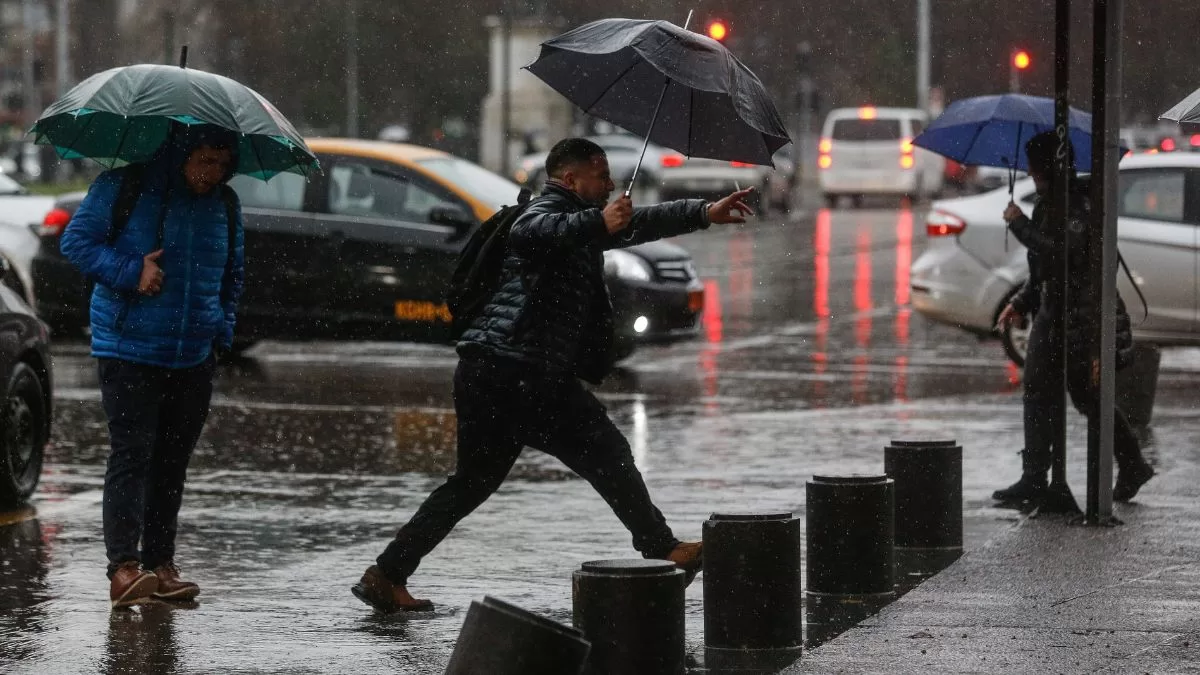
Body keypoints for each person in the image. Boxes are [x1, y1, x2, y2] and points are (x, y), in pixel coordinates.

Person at [353, 138, 755, 611]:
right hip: (521, 372)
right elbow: (532, 231)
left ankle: (387, 574)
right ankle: (662, 547)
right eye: (599, 174)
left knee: (472, 483)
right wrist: (594, 221)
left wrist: (704, 212)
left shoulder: (582, 223)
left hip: (493, 371)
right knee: (606, 450)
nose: (608, 184)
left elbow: (639, 223)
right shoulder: (547, 212)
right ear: (570, 179)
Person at [60, 124, 245, 608]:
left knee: (172, 462)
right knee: (132, 455)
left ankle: (160, 565)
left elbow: (233, 274)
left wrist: (219, 331)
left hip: (193, 354)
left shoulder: (225, 204)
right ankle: (124, 569)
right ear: (181, 153)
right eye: (204, 161)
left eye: (222, 165)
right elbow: (76, 243)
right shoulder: (125, 185)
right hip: (128, 346)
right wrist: (130, 270)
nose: (212, 174)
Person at [993, 131, 1154, 504]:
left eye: (1034, 164)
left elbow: (1064, 255)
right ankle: (1035, 475)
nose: (1030, 172)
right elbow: (1044, 269)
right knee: (1037, 389)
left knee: (1089, 395)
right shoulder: (1048, 203)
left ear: (1044, 166)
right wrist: (1021, 301)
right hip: (1053, 311)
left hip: (1083, 314)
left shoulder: (1075, 204)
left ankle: (1132, 464)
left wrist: (1019, 224)